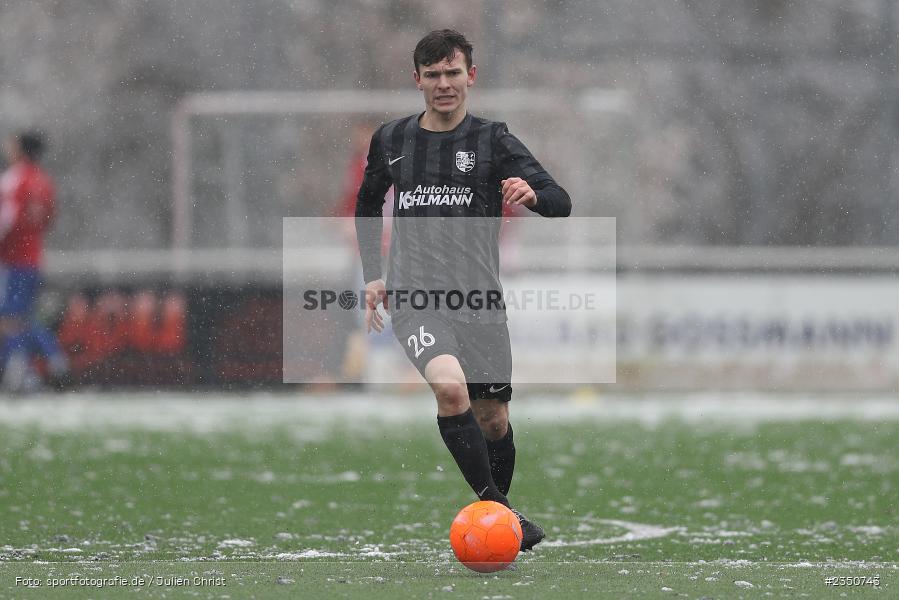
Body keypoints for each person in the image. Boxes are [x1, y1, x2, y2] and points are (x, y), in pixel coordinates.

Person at [354, 29, 571, 552]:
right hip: (416, 297)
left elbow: (560, 199)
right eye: (433, 75)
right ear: (418, 80)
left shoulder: (494, 140)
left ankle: (499, 513)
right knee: (450, 388)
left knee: (493, 419)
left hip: (479, 302)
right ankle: (500, 514)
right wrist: (373, 276)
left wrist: (531, 195)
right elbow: (366, 205)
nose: (444, 84)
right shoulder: (392, 140)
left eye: (453, 73)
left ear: (470, 76)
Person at [0, 131, 68, 392]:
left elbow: (6, 221)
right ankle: (51, 361)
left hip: (12, 260)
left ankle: (25, 373)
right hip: (33, 258)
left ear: (20, 149)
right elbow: (49, 218)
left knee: (10, 320)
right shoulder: (44, 181)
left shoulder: (13, 180)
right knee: (22, 318)